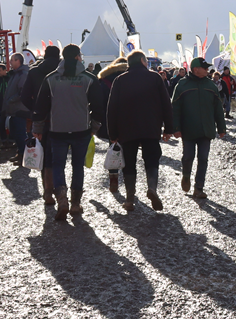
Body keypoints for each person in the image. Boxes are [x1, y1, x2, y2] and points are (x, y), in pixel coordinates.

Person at [32, 44, 103, 221]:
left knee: (58, 165)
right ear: (79, 57)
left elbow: (41, 107)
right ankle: (76, 203)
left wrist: (37, 129)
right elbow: (98, 107)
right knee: (78, 166)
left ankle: (61, 199)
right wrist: (94, 127)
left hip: (57, 130)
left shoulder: (51, 79)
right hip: (82, 130)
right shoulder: (89, 78)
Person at [107, 51, 174, 211]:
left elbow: (112, 108)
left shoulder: (120, 80)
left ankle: (130, 199)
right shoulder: (155, 78)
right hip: (151, 127)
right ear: (144, 61)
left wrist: (112, 133)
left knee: (129, 163)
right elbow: (166, 104)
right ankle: (152, 188)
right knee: (151, 159)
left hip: (127, 129)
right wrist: (169, 128)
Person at [171, 57, 226, 199]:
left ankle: (198, 188)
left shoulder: (211, 85)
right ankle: (186, 176)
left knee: (203, 158)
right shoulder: (182, 85)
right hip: (188, 129)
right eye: (205, 68)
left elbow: (218, 108)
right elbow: (175, 108)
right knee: (188, 157)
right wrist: (175, 127)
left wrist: (221, 127)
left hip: (206, 130)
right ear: (195, 69)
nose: (208, 70)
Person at [20, 46, 61, 203]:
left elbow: (24, 97)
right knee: (60, 155)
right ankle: (61, 191)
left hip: (41, 119)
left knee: (45, 155)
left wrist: (36, 109)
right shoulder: (63, 71)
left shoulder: (34, 71)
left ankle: (48, 192)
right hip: (62, 118)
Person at [96, 57, 129, 195]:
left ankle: (113, 177)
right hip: (129, 120)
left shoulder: (104, 80)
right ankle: (129, 183)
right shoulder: (131, 77)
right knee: (129, 151)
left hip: (110, 120)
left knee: (113, 148)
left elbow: (99, 102)